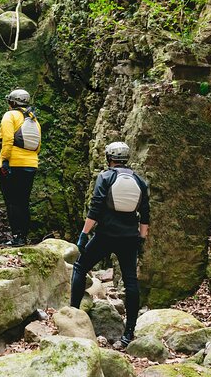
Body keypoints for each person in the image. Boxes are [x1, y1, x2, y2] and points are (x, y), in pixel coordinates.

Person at [70, 141, 150, 347]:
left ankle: (73, 314)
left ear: (109, 159)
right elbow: (145, 215)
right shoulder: (140, 181)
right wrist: (141, 240)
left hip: (105, 234)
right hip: (130, 237)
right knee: (131, 280)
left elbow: (95, 209)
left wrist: (84, 234)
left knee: (80, 267)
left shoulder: (106, 177)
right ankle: (129, 332)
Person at [0, 89, 41, 246]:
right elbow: (37, 146)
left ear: (12, 102)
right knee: (23, 201)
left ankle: (17, 237)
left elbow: (8, 140)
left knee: (12, 201)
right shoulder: (33, 119)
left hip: (13, 164)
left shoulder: (10, 116)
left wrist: (5, 161)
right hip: (30, 165)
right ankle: (23, 236)